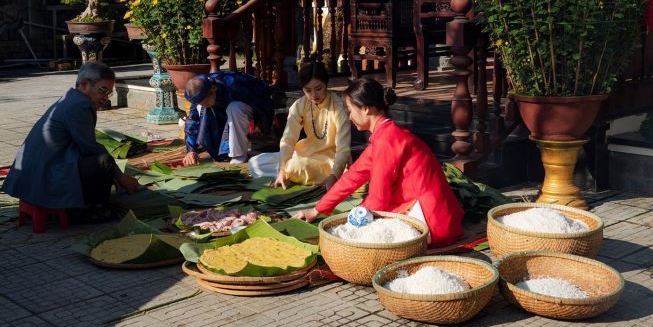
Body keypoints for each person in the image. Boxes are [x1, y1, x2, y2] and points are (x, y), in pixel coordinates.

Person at [294, 77, 464, 247]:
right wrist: (316, 210)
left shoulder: (387, 139)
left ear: (366, 109)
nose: (350, 116)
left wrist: (350, 222)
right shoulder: (386, 135)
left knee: (354, 236)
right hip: (434, 213)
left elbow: (378, 198)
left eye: (350, 110)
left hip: (431, 221)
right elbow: (353, 176)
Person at [2, 62, 139, 223]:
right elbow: (90, 148)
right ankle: (92, 210)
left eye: (108, 93)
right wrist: (121, 177)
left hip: (35, 173)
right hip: (45, 176)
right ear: (84, 84)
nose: (105, 98)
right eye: (102, 90)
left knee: (97, 160)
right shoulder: (79, 105)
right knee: (103, 162)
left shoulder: (71, 98)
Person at [267, 61, 351, 190]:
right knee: (257, 162)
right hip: (306, 154)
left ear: (326, 84)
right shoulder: (300, 105)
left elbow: (343, 149)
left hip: (331, 160)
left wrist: (334, 175)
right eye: (307, 90)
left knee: (294, 166)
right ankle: (287, 173)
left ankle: (297, 173)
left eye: (318, 89)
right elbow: (288, 140)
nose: (313, 95)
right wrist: (282, 170)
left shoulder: (338, 107)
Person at [182, 71, 274, 165]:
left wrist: (261, 125)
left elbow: (262, 102)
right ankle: (220, 153)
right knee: (202, 109)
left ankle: (239, 155)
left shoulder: (234, 83)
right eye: (200, 102)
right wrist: (191, 150)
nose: (204, 104)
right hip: (222, 110)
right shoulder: (200, 95)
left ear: (213, 88)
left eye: (205, 101)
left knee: (234, 108)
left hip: (249, 105)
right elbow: (193, 121)